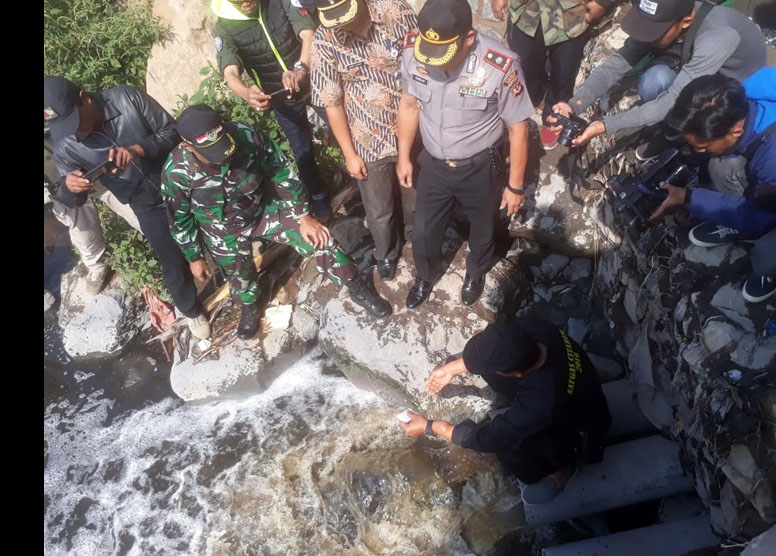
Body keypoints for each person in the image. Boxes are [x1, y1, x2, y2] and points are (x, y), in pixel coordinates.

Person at [161, 105, 392, 340]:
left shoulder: (245, 136)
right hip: (222, 229)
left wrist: (303, 216)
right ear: (187, 146)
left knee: (321, 238)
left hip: (263, 209)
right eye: (211, 152)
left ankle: (357, 287)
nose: (222, 157)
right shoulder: (176, 172)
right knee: (239, 275)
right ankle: (250, 306)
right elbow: (179, 219)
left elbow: (282, 173)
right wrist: (195, 257)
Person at [44, 76, 210, 340]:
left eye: (75, 121)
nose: (76, 133)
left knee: (217, 229)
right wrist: (69, 188)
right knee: (171, 260)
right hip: (144, 202)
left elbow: (174, 131)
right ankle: (191, 311)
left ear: (85, 98)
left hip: (183, 182)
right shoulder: (66, 145)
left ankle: (237, 272)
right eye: (65, 128)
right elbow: (72, 200)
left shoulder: (127, 98)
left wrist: (140, 148)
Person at [397, 0, 535, 308]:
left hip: (480, 165)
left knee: (483, 226)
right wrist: (404, 155)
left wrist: (515, 186)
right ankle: (425, 276)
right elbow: (408, 104)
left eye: (443, 53)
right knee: (423, 230)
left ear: (468, 38)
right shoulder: (413, 50)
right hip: (433, 162)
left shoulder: (500, 65)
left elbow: (518, 128)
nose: (434, 62)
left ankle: (475, 272)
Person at [400, 318, 612, 490]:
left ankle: (561, 469)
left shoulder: (539, 402)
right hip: (571, 385)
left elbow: (488, 439)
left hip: (580, 420)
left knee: (511, 453)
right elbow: (495, 350)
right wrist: (451, 369)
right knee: (491, 370)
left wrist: (431, 426)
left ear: (518, 373)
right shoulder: (532, 327)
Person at [549, 0, 766, 158]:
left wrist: (604, 125)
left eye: (654, 32)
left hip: (732, 85)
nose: (646, 36)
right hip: (692, 62)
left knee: (682, 105)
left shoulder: (717, 38)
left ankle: (672, 133)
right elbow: (617, 63)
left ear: (686, 21)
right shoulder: (666, 18)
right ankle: (672, 127)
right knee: (655, 80)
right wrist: (574, 105)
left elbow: (671, 101)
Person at [650, 69, 776, 303]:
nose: (698, 150)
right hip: (773, 179)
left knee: (767, 257)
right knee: (720, 165)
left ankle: (771, 265)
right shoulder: (739, 94)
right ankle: (740, 222)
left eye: (703, 145)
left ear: (736, 132)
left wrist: (690, 198)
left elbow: (762, 214)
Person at [310, 0, 418, 281]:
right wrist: (349, 154)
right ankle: (387, 253)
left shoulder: (395, 10)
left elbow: (423, 61)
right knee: (378, 207)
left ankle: (416, 239)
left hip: (414, 127)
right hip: (367, 138)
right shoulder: (325, 38)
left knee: (416, 194)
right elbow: (331, 102)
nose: (342, 24)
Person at [212, 0, 333, 222]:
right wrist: (246, 93)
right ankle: (319, 196)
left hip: (315, 76)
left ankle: (365, 174)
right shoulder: (225, 24)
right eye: (238, 1)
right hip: (279, 94)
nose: (245, 3)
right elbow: (230, 71)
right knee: (301, 150)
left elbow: (308, 32)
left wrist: (301, 68)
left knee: (341, 126)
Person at [491, 0, 620, 150]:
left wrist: (602, 2)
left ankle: (553, 116)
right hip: (527, 12)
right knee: (525, 68)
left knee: (563, 74)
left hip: (572, 16)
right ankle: (528, 101)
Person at [45, 129, 143, 294]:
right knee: (77, 218)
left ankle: (164, 237)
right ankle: (96, 265)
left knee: (127, 202)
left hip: (85, 154)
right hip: (57, 184)